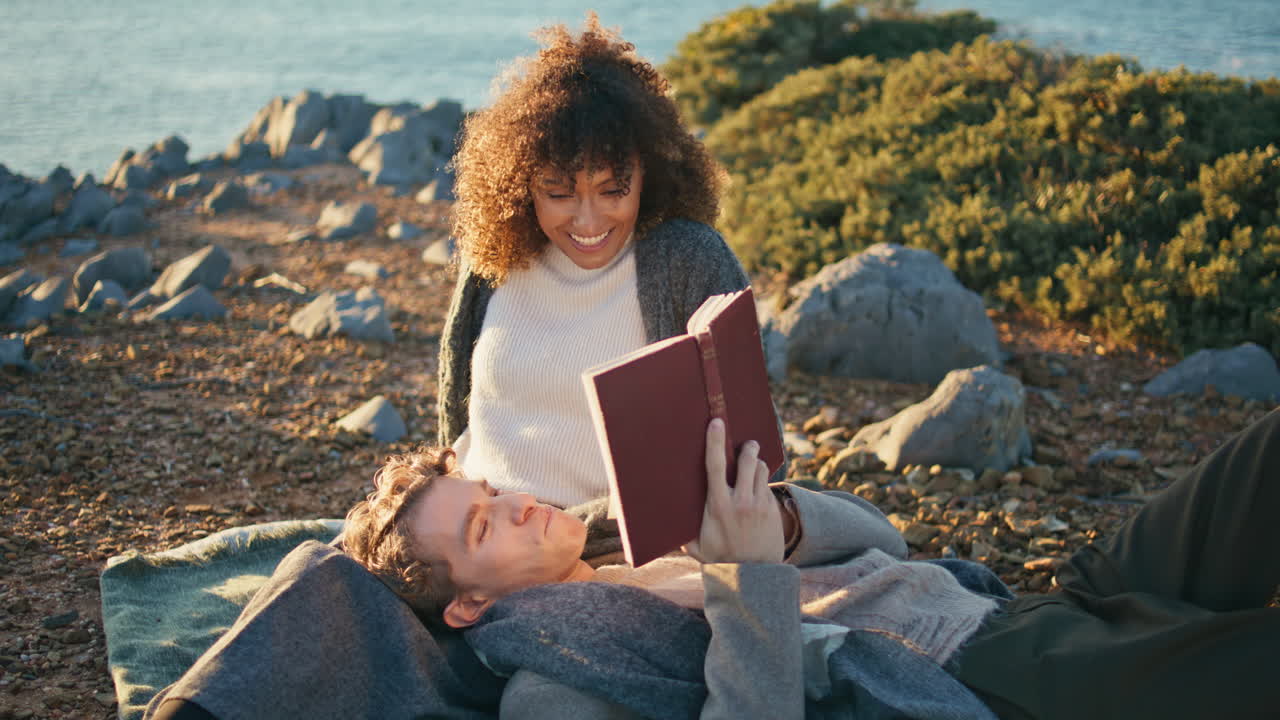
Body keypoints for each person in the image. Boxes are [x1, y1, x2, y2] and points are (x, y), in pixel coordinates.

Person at [343, 409, 1280, 720]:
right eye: (480, 530)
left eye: (488, 490)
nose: (511, 503)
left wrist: (783, 524)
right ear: (465, 608)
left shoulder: (617, 537)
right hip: (981, 676)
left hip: (1018, 603)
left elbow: (890, 541)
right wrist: (748, 580)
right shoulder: (552, 680)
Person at [437, 15, 757, 509]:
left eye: (613, 189)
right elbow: (460, 420)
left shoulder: (687, 258)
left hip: (611, 544)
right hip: (481, 533)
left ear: (648, 172)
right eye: (559, 193)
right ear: (522, 185)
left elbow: (757, 451)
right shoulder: (495, 258)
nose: (588, 221)